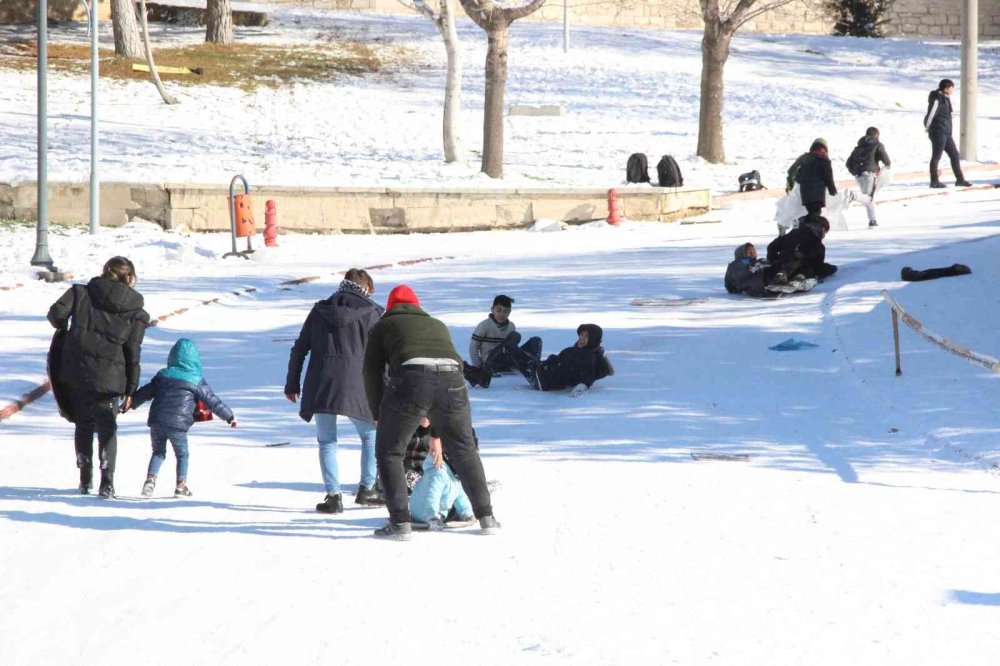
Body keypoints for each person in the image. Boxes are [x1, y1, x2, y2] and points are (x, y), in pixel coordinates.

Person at [363, 284, 499, 540]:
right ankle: (486, 517)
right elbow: (455, 363)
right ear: (418, 305)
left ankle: (400, 523)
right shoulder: (436, 324)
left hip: (411, 379)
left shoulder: (383, 326)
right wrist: (437, 428)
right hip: (453, 382)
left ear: (390, 307)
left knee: (389, 451)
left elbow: (371, 371)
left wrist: (378, 411)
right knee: (464, 449)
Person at [47, 256, 150, 499]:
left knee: (83, 425)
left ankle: (85, 480)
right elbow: (133, 352)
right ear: (130, 277)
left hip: (76, 371)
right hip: (111, 379)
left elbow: (55, 316)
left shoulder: (80, 293)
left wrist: (66, 331)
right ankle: (107, 483)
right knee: (107, 428)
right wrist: (131, 389)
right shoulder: (136, 312)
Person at [285, 268, 384, 514]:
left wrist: (292, 383)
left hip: (322, 383)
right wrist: (386, 389)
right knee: (370, 435)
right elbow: (383, 357)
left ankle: (333, 496)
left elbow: (299, 348)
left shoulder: (320, 310)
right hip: (358, 384)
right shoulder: (372, 313)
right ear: (366, 289)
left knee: (327, 441)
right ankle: (366, 489)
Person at [129, 338, 236, 498]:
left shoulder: (163, 375)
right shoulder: (196, 380)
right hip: (178, 425)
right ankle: (180, 486)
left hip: (157, 421)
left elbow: (146, 392)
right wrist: (229, 417)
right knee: (182, 454)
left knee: (158, 452)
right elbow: (213, 401)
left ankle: (150, 481)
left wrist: (130, 403)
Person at [508, 324, 613, 396]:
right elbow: (558, 360)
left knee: (509, 347)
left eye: (586, 336)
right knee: (536, 341)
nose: (581, 338)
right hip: (541, 369)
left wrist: (582, 386)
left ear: (593, 339)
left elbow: (588, 377)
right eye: (581, 335)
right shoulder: (576, 351)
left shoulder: (588, 357)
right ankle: (511, 363)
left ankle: (496, 365)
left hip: (542, 380)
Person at [463, 294, 541, 388]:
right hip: (491, 361)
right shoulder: (485, 325)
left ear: (510, 312)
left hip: (506, 359)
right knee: (514, 337)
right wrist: (478, 365)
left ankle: (535, 368)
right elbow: (473, 346)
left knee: (536, 340)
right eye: (498, 310)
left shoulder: (511, 326)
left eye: (505, 311)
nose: (502, 314)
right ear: (492, 309)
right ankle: (531, 374)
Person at [409, 433, 476, 530]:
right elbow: (432, 496)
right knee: (436, 495)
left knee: (458, 494)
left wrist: (468, 514)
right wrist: (432, 516)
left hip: (439, 512)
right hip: (422, 511)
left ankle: (452, 514)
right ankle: (434, 517)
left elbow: (460, 496)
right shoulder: (437, 474)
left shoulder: (454, 477)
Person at [924, 78, 971, 189]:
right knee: (936, 156)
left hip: (946, 132)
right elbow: (931, 114)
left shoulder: (945, 98)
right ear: (946, 88)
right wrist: (928, 127)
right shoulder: (937, 98)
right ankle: (934, 181)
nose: (952, 90)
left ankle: (960, 179)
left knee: (954, 155)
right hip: (938, 131)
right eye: (951, 88)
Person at [766, 214, 837, 280]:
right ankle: (795, 277)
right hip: (798, 269)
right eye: (825, 233)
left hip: (780, 264)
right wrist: (832, 269)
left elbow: (771, 247)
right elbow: (819, 270)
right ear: (823, 229)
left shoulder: (793, 233)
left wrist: (773, 260)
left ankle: (780, 273)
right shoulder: (817, 244)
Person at [847, 127, 891, 228]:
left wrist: (856, 171)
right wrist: (885, 167)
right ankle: (853, 195)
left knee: (869, 199)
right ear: (876, 135)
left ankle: (873, 221)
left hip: (859, 176)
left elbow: (848, 163)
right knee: (869, 198)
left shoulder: (858, 147)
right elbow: (887, 161)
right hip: (870, 174)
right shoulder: (877, 144)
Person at [794, 138, 837, 217]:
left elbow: (798, 177)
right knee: (815, 215)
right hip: (817, 194)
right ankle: (802, 224)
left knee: (812, 213)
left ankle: (804, 225)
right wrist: (832, 190)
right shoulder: (824, 160)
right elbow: (828, 177)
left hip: (806, 194)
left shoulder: (805, 159)